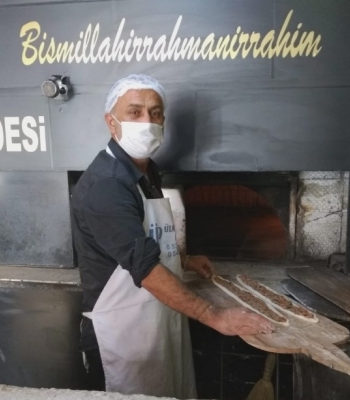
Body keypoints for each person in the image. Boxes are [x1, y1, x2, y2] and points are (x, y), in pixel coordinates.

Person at [71, 74, 273, 398]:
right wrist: (213, 315)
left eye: (155, 113)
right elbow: (144, 266)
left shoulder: (146, 172)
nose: (146, 122)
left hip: (155, 323)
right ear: (111, 122)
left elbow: (141, 237)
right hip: (122, 339)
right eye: (134, 112)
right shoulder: (107, 184)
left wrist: (183, 260)